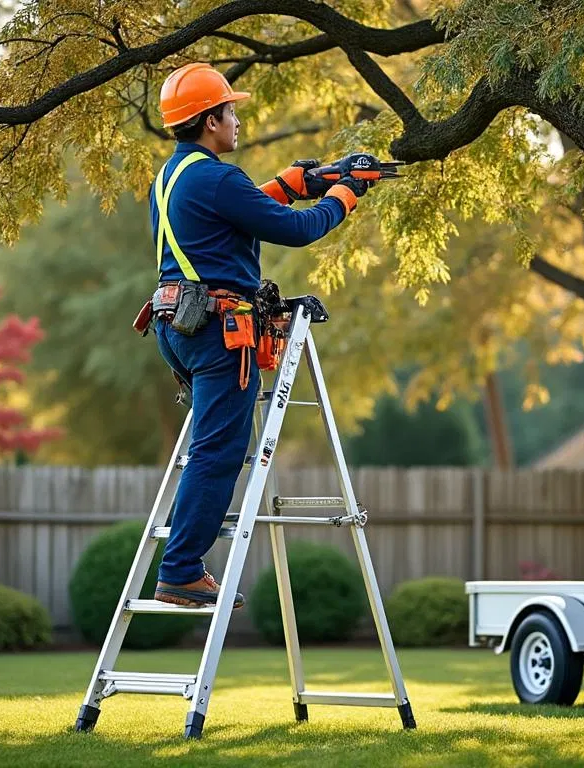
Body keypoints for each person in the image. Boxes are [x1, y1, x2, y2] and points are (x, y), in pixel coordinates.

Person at [141, 62, 373, 609]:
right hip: (217, 330)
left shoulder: (172, 176)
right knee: (219, 450)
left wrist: (293, 183)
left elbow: (238, 210)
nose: (237, 119)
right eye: (230, 110)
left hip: (177, 323)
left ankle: (180, 558)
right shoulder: (219, 177)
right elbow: (295, 229)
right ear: (208, 119)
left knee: (210, 445)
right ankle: (180, 570)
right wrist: (346, 192)